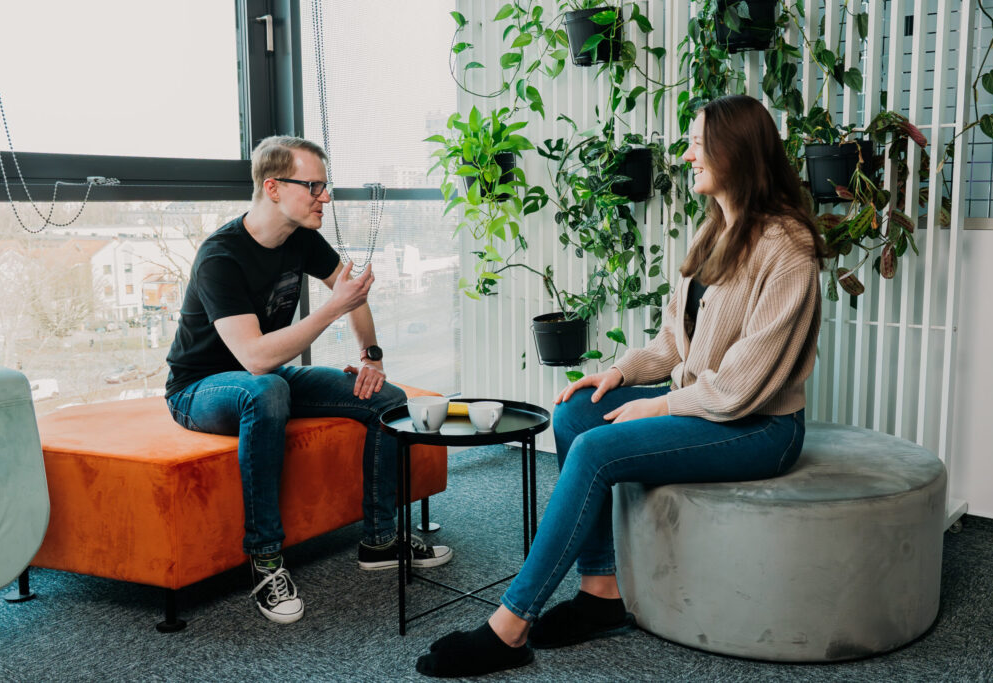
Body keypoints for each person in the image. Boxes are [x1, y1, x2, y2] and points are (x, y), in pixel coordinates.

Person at [415, 94, 825, 676]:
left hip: (760, 428)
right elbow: (672, 343)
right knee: (578, 413)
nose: (686, 155)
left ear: (737, 150)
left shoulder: (789, 249)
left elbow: (740, 387)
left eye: (697, 142)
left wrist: (657, 407)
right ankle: (602, 594)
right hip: (707, 406)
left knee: (596, 448)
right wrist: (622, 373)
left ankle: (509, 626)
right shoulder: (715, 233)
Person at [164, 136, 452, 625]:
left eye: (326, 185)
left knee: (388, 399)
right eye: (314, 185)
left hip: (264, 381)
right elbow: (255, 358)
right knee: (268, 387)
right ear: (273, 187)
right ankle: (266, 557)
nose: (326, 197)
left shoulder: (300, 238)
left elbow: (351, 292)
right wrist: (332, 310)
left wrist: (371, 359)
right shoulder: (221, 257)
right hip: (200, 389)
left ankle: (381, 539)